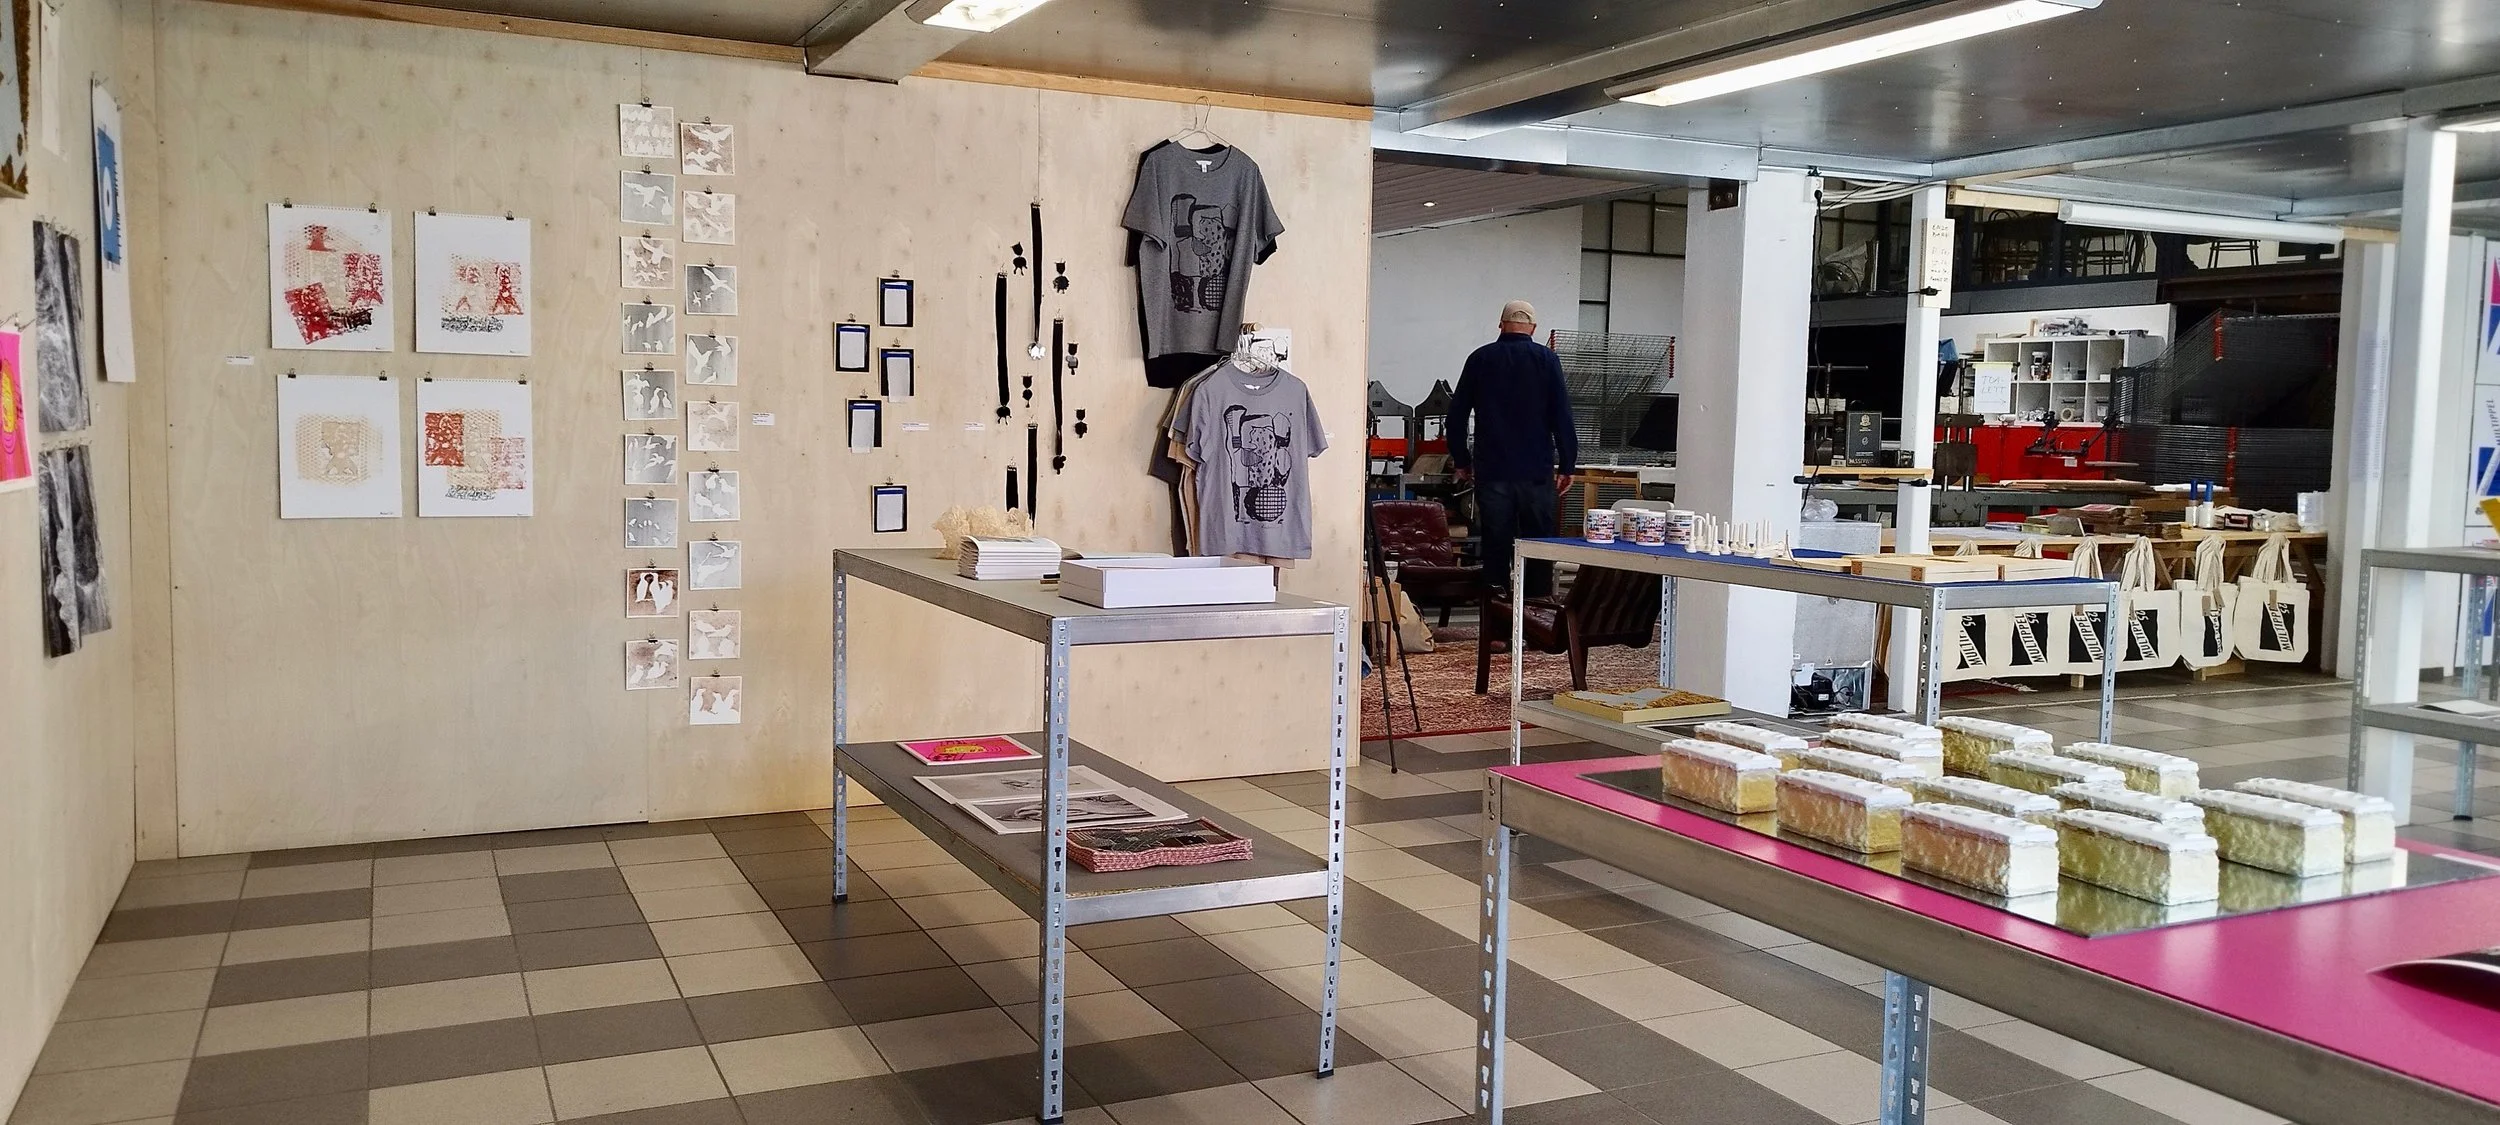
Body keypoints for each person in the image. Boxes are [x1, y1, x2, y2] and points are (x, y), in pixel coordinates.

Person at [1449, 300, 1577, 599]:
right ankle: (1535, 611)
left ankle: (1496, 613)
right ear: (1533, 328)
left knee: (1495, 543)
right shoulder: (1547, 360)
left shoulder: (1480, 359)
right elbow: (1562, 415)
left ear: (1501, 324)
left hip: (1493, 470)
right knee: (1538, 544)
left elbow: (1456, 415)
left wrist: (1461, 460)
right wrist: (1567, 464)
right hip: (1536, 471)